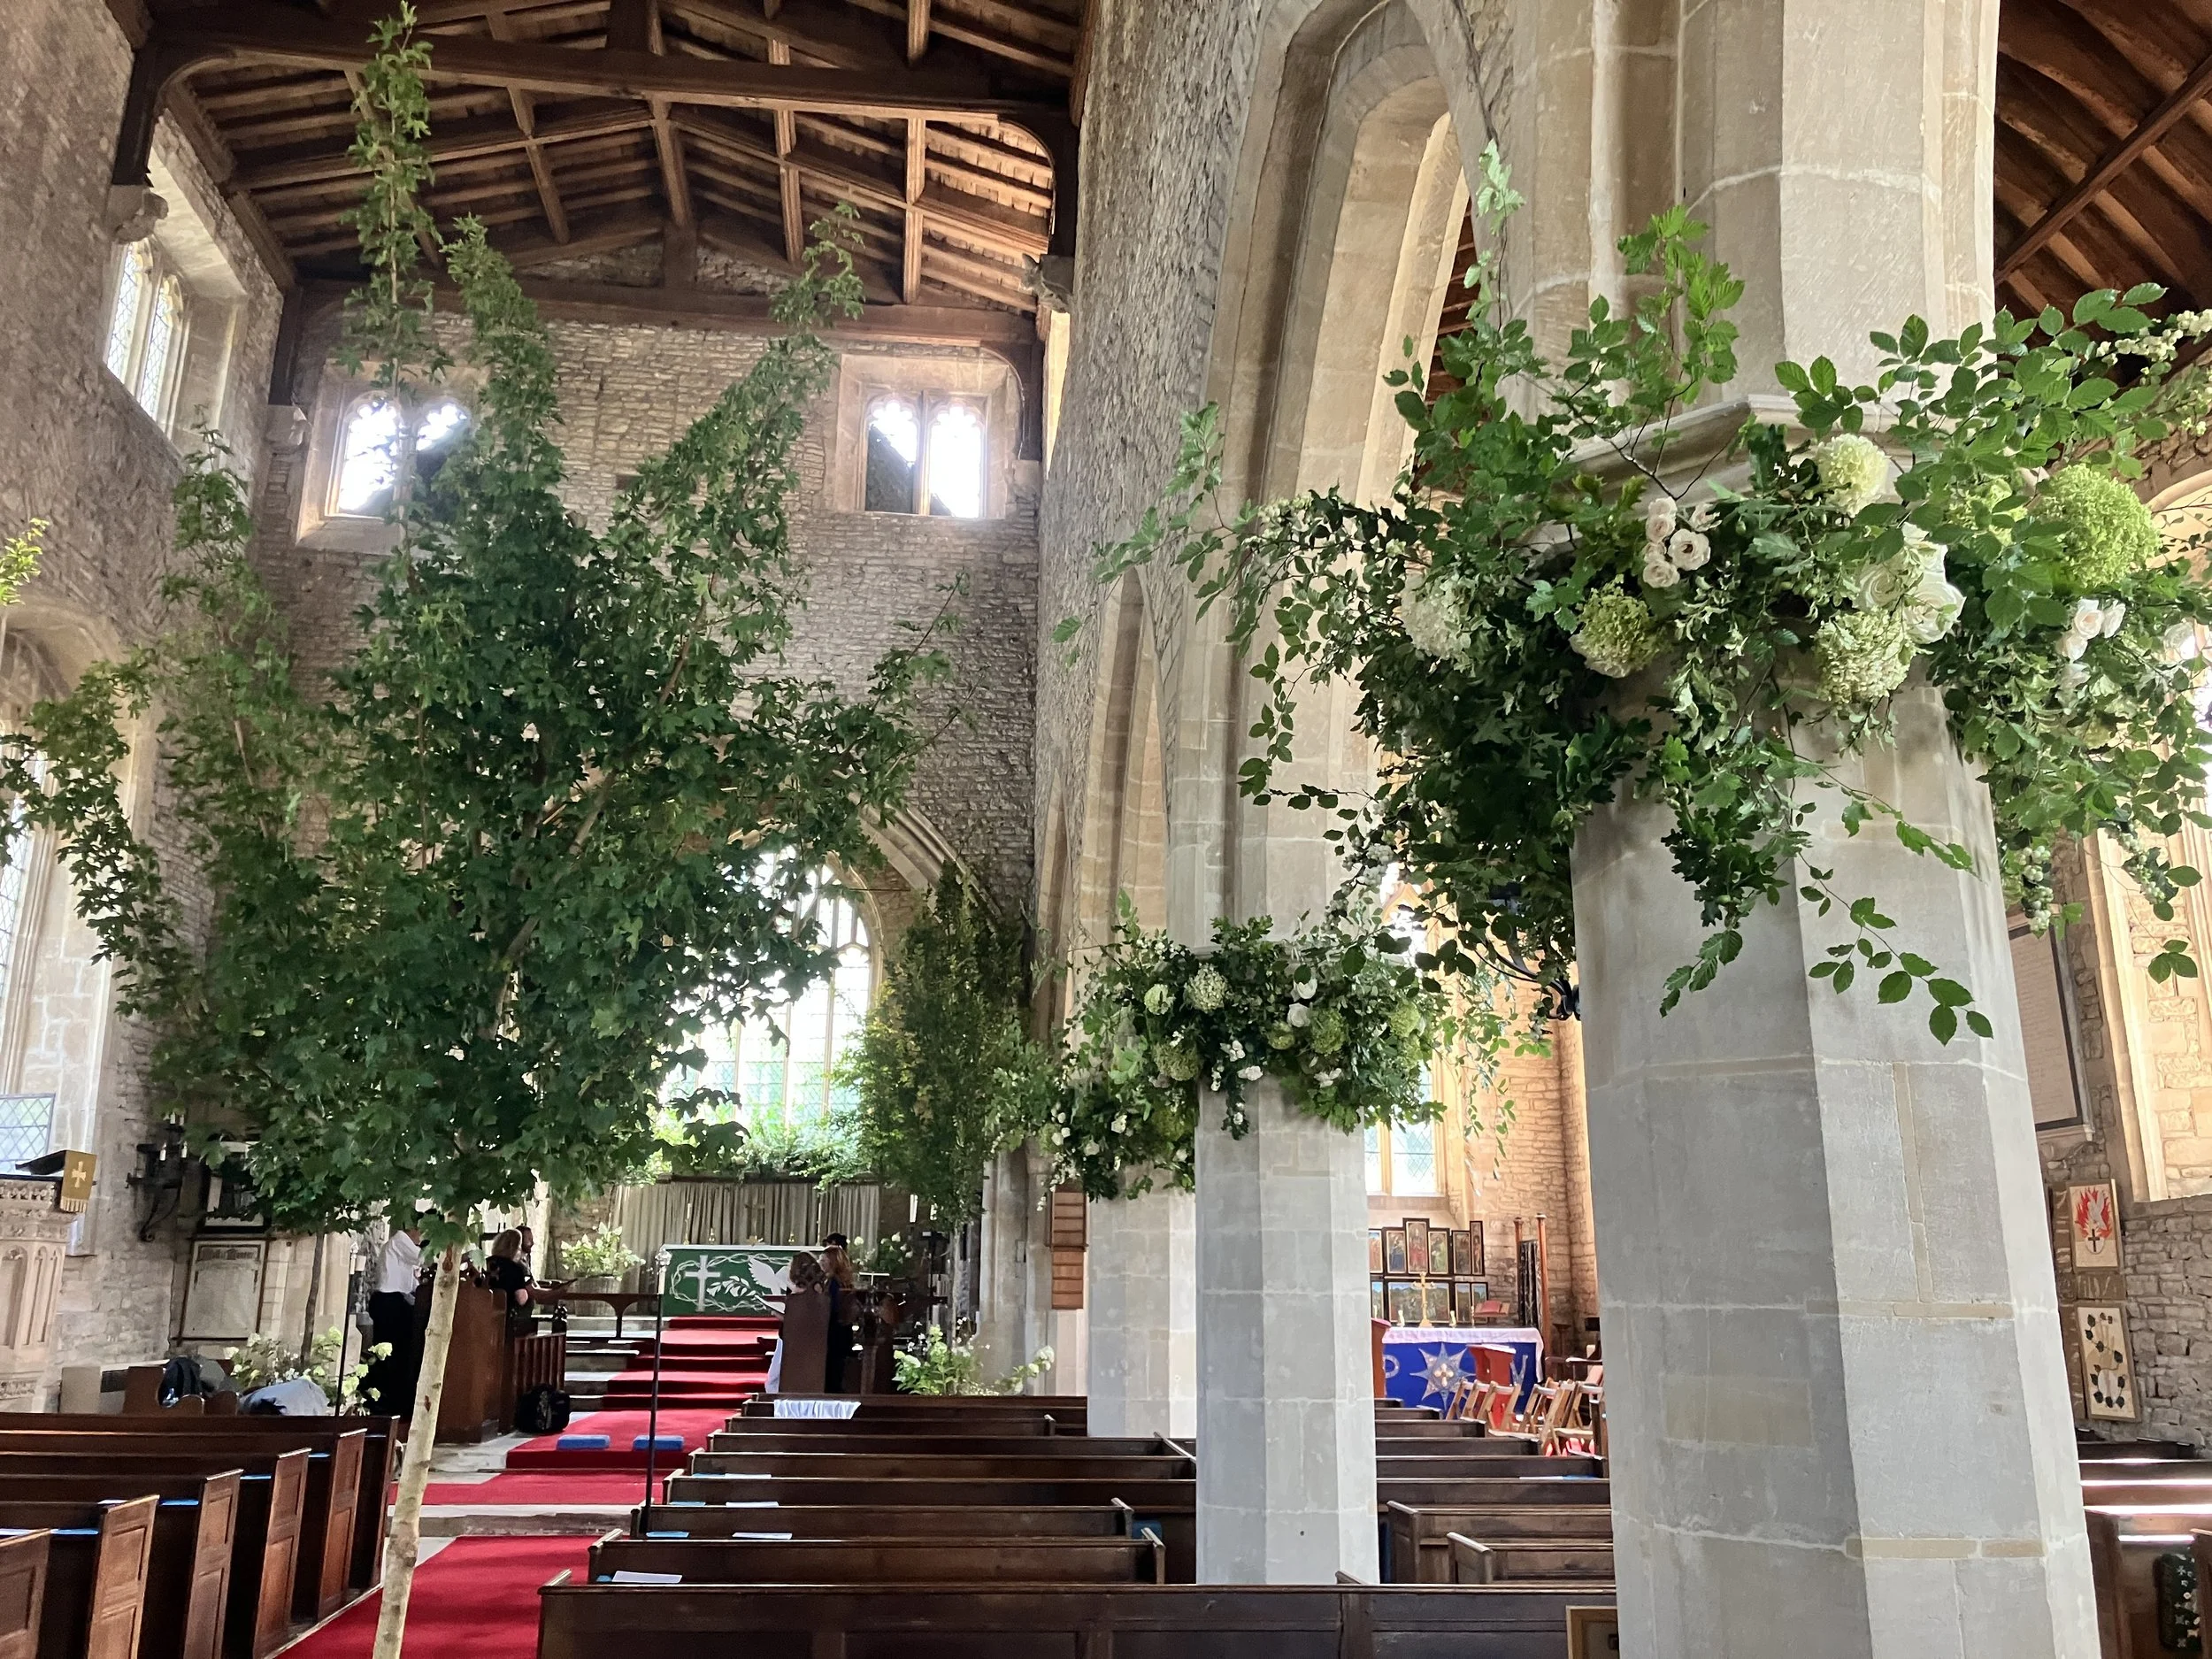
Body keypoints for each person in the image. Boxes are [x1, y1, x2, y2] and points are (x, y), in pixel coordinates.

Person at [365, 1224, 424, 1417]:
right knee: (389, 1353)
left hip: (398, 1302)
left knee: (400, 1354)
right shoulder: (400, 1241)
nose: (421, 1239)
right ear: (414, 1229)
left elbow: (412, 1281)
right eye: (422, 1233)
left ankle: (396, 1401)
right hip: (388, 1302)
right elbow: (423, 1258)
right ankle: (383, 1402)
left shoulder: (403, 1247)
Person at [765, 1251, 825, 1395]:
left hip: (793, 1338)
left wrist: (777, 1313)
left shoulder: (804, 1290)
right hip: (792, 1336)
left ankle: (774, 1404)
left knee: (776, 1377)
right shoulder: (807, 1287)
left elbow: (798, 1319)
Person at [820, 1241, 858, 1393]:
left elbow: (832, 1308)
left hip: (834, 1333)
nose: (820, 1263)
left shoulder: (834, 1283)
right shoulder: (842, 1282)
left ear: (832, 1263)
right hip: (842, 1332)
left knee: (832, 1374)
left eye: (823, 1260)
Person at [484, 1228, 533, 1309]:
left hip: (478, 1311)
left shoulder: (484, 1262)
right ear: (516, 1248)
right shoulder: (516, 1269)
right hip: (501, 1315)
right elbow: (521, 1299)